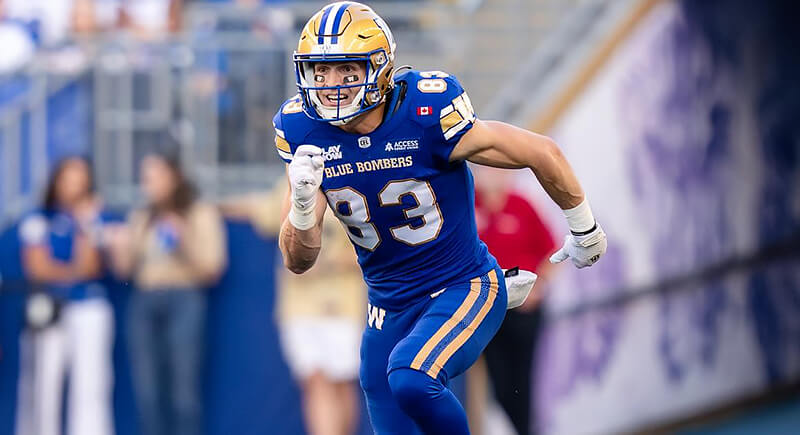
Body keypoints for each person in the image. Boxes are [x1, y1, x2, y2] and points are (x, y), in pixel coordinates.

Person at [273, 2, 607, 433]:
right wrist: (302, 207)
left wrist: (584, 227)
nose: (330, 86)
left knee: (412, 375)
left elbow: (541, 151)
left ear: (379, 69)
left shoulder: (425, 112)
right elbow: (298, 261)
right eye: (320, 72)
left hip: (460, 284)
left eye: (346, 71)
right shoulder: (303, 131)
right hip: (388, 306)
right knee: (392, 398)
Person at [106, 151, 226, 435]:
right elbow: (125, 272)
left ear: (174, 177)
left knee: (184, 390)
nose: (149, 183)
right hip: (145, 301)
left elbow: (213, 268)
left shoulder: (200, 213)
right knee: (147, 390)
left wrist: (183, 240)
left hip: (185, 299)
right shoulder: (141, 216)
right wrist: (118, 248)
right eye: (145, 177)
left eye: (156, 176)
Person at [15, 156, 113, 435]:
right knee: (43, 386)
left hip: (87, 307)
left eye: (80, 179)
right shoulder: (38, 220)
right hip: (49, 310)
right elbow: (38, 268)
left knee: (91, 385)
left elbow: (91, 266)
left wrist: (85, 223)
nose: (74, 185)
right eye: (68, 178)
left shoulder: (92, 218)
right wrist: (73, 272)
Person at [474, 166, 556, 435]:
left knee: (523, 380)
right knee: (500, 384)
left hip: (523, 309)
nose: (493, 175)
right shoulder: (469, 207)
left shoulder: (521, 205)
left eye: (498, 170)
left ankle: (527, 429)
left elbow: (551, 251)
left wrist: (539, 286)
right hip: (487, 310)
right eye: (486, 170)